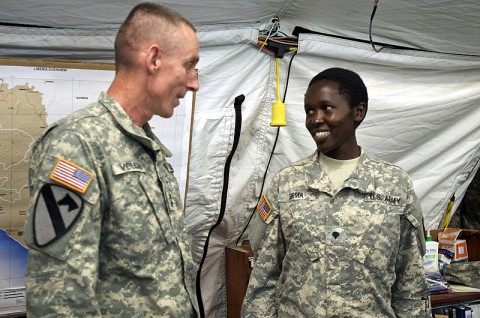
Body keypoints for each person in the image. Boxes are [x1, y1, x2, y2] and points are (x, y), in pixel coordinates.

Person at [23, 3, 200, 317]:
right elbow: (58, 299)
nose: (193, 82)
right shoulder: (77, 145)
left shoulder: (147, 147)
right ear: (154, 58)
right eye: (189, 65)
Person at [242, 67, 431, 317]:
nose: (315, 119)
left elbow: (410, 284)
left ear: (358, 112)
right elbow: (263, 282)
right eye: (309, 110)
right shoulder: (286, 184)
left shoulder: (394, 186)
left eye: (326, 108)